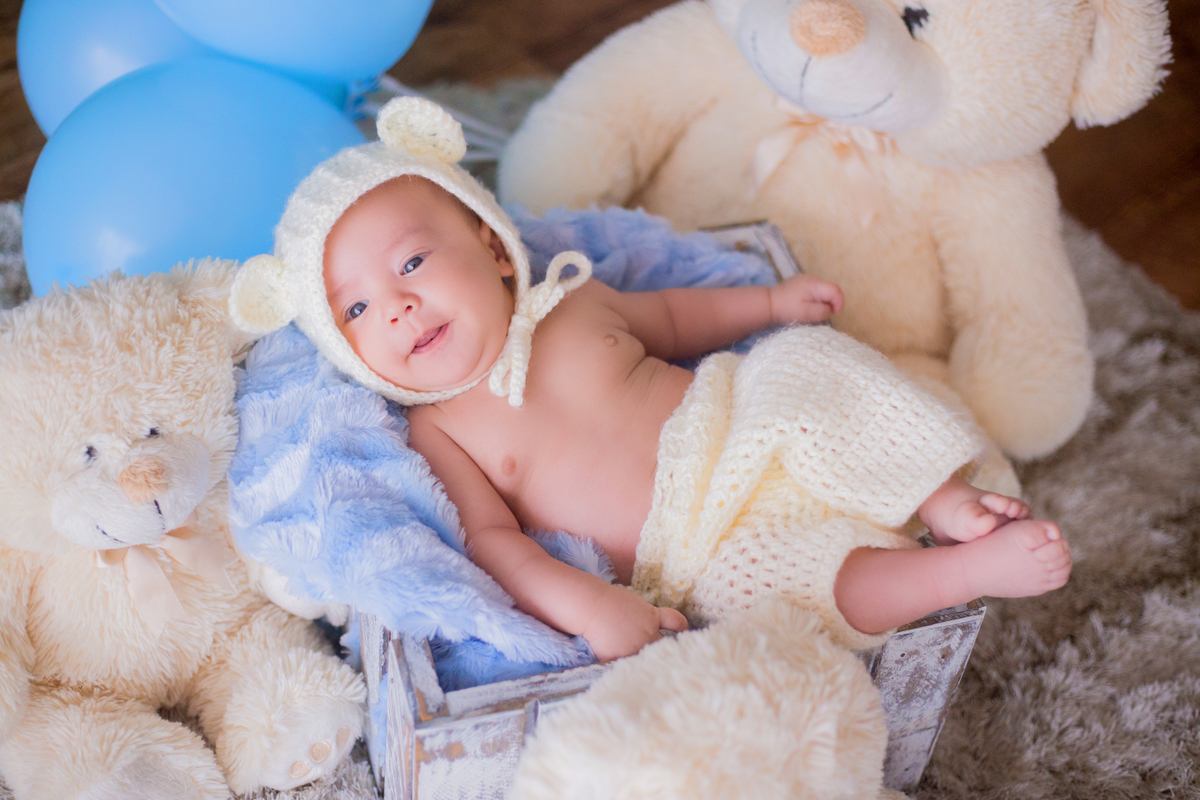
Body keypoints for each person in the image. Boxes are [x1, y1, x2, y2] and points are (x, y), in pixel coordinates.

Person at [231, 97, 1071, 662]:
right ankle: (957, 575)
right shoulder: (438, 430)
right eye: (358, 311)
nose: (401, 306)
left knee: (807, 366)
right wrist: (589, 607)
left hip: (736, 421)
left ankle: (939, 498)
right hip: (690, 544)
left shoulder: (569, 297)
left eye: (412, 261)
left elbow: (675, 318)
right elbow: (495, 546)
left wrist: (768, 301)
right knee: (780, 592)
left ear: (491, 246)